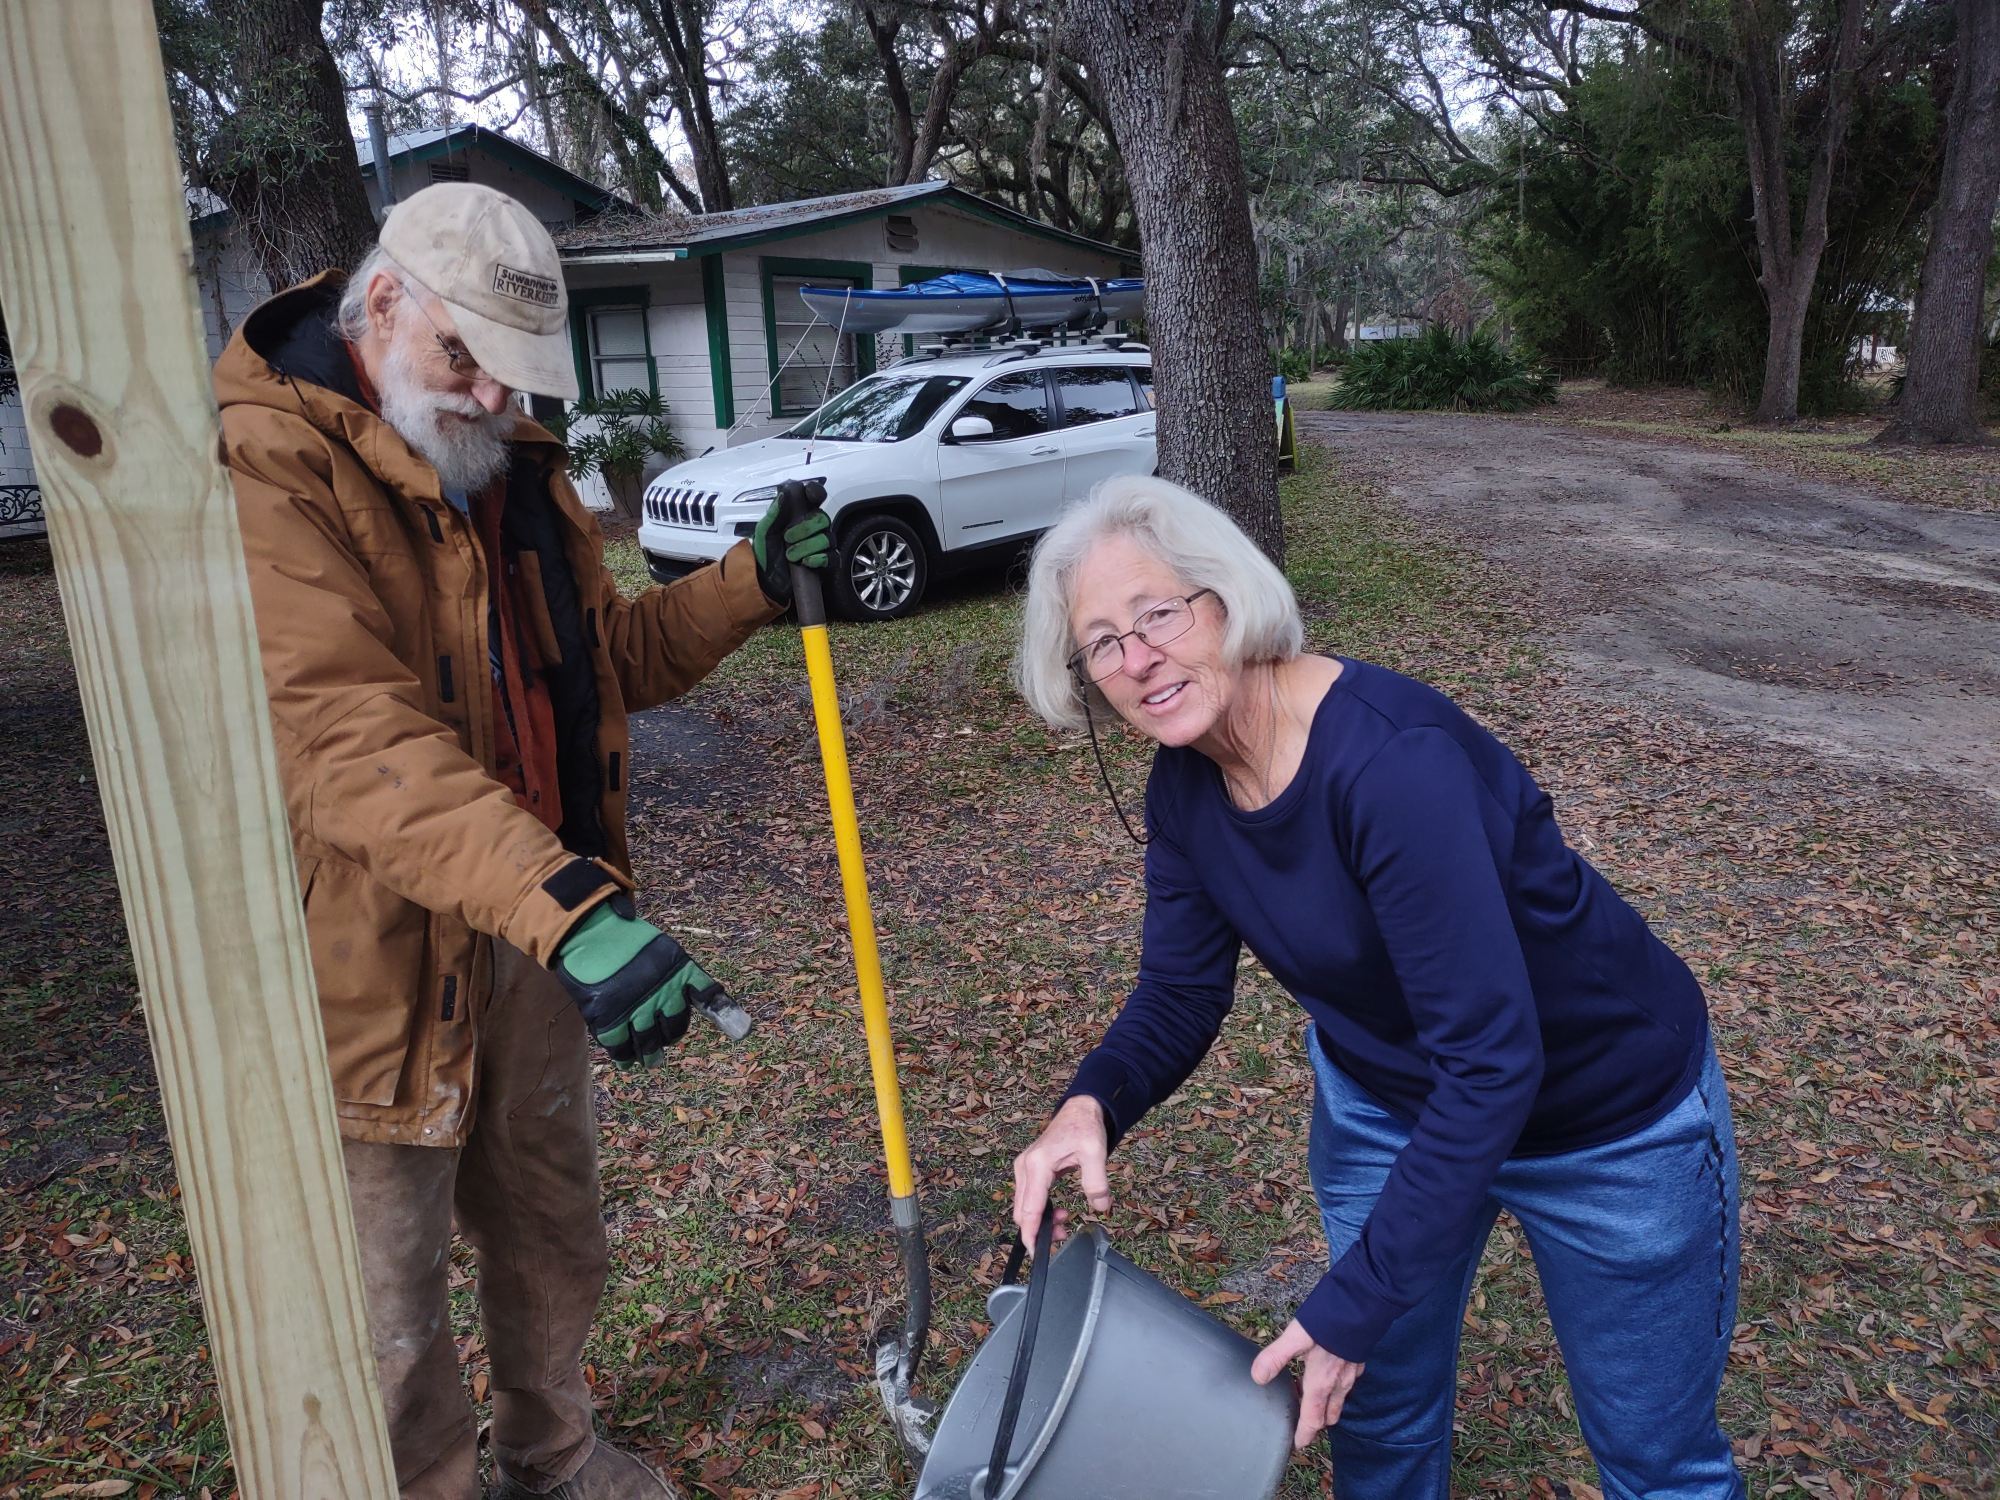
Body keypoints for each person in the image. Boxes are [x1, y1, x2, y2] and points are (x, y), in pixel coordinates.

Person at [213, 183, 832, 1500]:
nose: (497, 400)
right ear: (383, 305)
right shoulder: (270, 462)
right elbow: (349, 741)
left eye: (518, 379)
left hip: (540, 928)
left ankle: (554, 1456)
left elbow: (596, 664)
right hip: (372, 957)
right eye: (466, 362)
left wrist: (747, 587)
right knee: (388, 1293)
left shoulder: (513, 468)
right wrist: (576, 909)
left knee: (551, 1224)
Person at [1007, 475, 1745, 1499]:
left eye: (1157, 614)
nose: (1136, 660)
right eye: (1101, 643)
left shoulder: (1391, 768)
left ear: (1228, 599)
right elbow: (1179, 992)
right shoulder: (1182, 786)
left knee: (1651, 1457)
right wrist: (1088, 1105)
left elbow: (1491, 1066)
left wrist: (1354, 1302)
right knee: (1375, 1416)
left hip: (1605, 1123)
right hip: (1392, 1108)